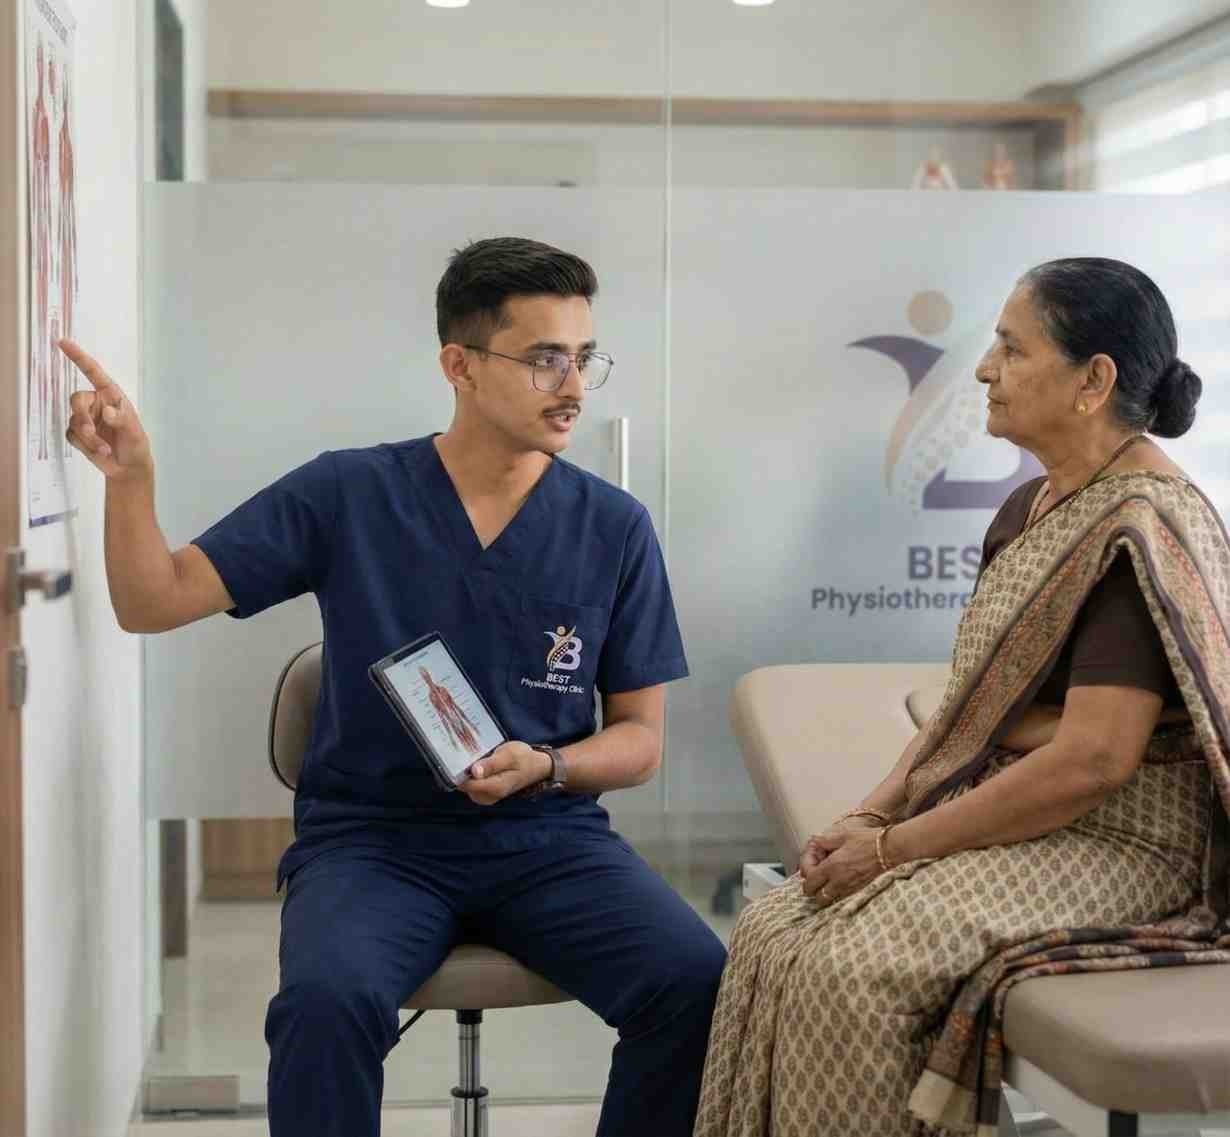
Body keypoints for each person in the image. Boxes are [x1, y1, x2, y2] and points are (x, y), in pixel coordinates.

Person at [60, 237, 726, 1137]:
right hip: (373, 842)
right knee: (325, 1004)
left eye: (583, 358)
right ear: (459, 364)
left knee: (696, 980)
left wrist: (549, 766)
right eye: (543, 359)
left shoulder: (614, 527)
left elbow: (640, 738)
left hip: (551, 837)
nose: (573, 385)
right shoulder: (352, 493)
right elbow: (153, 599)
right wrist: (131, 479)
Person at [695, 257, 1230, 1137]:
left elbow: (1094, 761)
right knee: (773, 927)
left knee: (855, 965)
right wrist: (868, 817)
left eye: (1012, 349)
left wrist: (896, 847)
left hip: (1128, 844)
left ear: (1093, 380)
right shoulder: (1030, 508)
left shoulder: (1139, 526)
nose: (983, 367)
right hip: (1025, 818)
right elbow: (968, 710)